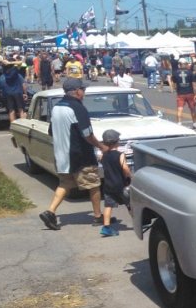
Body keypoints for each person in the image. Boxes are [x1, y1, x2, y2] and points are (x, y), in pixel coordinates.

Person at [39, 78, 108, 231]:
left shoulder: (57, 107)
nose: (84, 92)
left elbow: (51, 131)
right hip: (80, 156)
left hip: (61, 156)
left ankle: (50, 212)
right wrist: (101, 146)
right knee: (94, 185)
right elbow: (87, 134)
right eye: (83, 89)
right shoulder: (78, 108)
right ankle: (98, 216)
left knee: (65, 184)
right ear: (77, 91)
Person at [97, 129, 132, 237]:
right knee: (130, 204)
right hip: (120, 186)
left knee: (108, 206)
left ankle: (106, 227)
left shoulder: (103, 156)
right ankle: (138, 222)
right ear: (117, 141)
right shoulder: (120, 155)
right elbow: (125, 168)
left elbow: (102, 161)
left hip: (108, 186)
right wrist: (130, 176)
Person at [171, 60, 196, 129]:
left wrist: (176, 89)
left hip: (180, 93)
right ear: (186, 64)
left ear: (179, 65)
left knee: (180, 109)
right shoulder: (190, 73)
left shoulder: (175, 73)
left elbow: (173, 84)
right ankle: (195, 124)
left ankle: (179, 124)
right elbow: (194, 84)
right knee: (193, 109)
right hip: (190, 93)